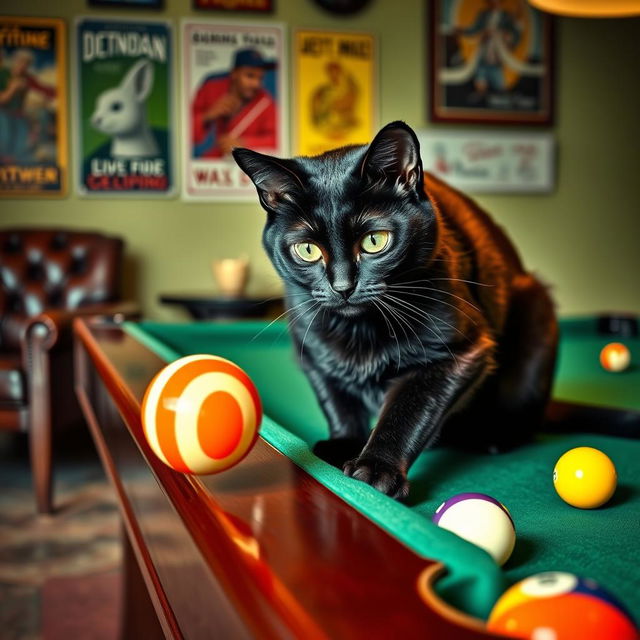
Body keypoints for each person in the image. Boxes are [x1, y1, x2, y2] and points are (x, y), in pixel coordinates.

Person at [192, 48, 277, 158]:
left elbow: (279, 140)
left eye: (260, 78)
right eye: (250, 76)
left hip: (247, 164)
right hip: (216, 162)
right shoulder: (211, 89)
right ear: (234, 73)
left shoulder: (265, 102)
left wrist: (245, 144)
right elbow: (184, 133)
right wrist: (207, 116)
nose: (256, 84)